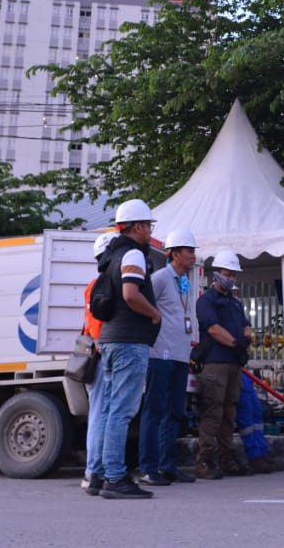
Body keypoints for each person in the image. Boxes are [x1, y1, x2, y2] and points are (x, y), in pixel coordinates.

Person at [87, 199, 163, 500]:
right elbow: (131, 294)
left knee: (108, 411)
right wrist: (155, 315)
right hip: (129, 341)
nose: (150, 231)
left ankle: (100, 475)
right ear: (138, 226)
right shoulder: (133, 254)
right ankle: (116, 478)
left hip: (110, 339)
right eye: (149, 226)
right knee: (121, 411)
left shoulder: (111, 255)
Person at [137, 228, 200, 486]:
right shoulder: (161, 277)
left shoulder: (183, 280)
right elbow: (139, 299)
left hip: (180, 354)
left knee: (175, 411)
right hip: (160, 353)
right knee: (154, 410)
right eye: (189, 251)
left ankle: (168, 465)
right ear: (174, 254)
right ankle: (148, 467)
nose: (193, 256)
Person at [194, 250, 253, 480]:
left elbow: (245, 325)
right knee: (213, 413)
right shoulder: (206, 301)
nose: (231, 278)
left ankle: (226, 458)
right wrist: (236, 344)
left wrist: (245, 339)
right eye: (228, 273)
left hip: (233, 364)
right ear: (216, 273)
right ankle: (205, 461)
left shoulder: (234, 303)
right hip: (215, 363)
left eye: (234, 274)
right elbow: (212, 329)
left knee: (229, 413)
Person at [81, 230, 116, 495]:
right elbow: (96, 327)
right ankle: (94, 471)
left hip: (99, 353)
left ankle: (96, 470)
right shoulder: (100, 286)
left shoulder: (95, 284)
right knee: (101, 414)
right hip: (102, 354)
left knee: (101, 414)